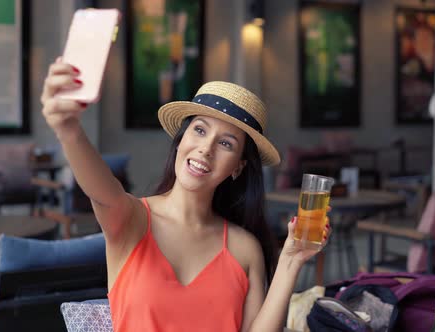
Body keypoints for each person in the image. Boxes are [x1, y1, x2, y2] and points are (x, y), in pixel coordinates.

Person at [40, 58, 330, 332]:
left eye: (226, 144)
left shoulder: (245, 249)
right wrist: (69, 131)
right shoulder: (132, 220)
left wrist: (291, 261)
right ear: (180, 141)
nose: (206, 148)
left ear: (238, 167)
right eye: (200, 130)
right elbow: (102, 191)